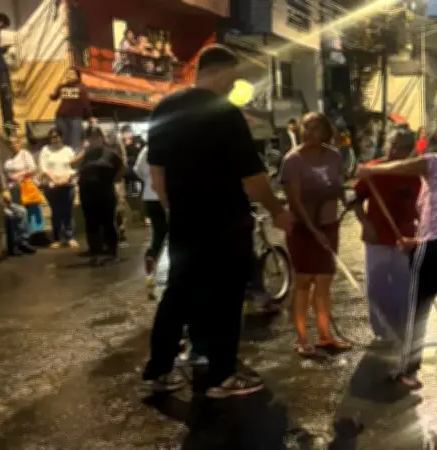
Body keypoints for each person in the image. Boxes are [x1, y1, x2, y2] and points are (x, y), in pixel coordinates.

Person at [142, 45, 292, 397]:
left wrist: (174, 209)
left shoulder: (164, 108)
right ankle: (221, 376)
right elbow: (252, 177)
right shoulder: (224, 112)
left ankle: (159, 369)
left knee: (178, 293)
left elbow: (157, 174)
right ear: (220, 70)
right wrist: (277, 211)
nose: (233, 84)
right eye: (233, 76)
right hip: (225, 220)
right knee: (225, 295)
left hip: (184, 219)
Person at [355, 146, 437, 390]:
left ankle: (408, 370)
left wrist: (371, 170)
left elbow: (405, 166)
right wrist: (415, 242)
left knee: (417, 310)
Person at [280, 112, 352, 357]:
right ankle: (302, 338)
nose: (309, 132)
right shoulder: (292, 160)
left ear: (325, 132)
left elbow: (338, 187)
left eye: (315, 128)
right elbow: (295, 201)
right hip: (302, 229)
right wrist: (313, 230)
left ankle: (325, 335)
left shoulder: (334, 156)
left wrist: (348, 200)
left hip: (329, 226)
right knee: (303, 282)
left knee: (324, 282)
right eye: (305, 127)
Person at [353, 129, 421, 344]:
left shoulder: (415, 173)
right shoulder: (372, 170)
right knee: (377, 285)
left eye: (401, 147)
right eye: (392, 145)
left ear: (410, 150)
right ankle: (382, 330)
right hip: (377, 235)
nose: (394, 151)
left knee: (404, 284)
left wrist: (422, 230)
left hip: (405, 238)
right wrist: (366, 224)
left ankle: (405, 327)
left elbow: (422, 206)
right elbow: (354, 199)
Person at [76, 129, 124, 266]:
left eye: (96, 138)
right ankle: (95, 252)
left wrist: (113, 180)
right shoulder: (86, 154)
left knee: (108, 223)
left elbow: (121, 168)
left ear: (101, 138)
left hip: (104, 192)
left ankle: (111, 253)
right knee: (91, 224)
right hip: (87, 193)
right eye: (90, 138)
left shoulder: (110, 153)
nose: (93, 141)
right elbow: (75, 166)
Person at [134, 143, 165, 297]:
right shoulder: (173, 143)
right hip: (167, 195)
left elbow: (137, 170)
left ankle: (150, 273)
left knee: (158, 234)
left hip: (150, 196)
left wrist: (148, 179)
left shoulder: (147, 148)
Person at [39, 127, 78, 249]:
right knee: (56, 212)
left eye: (56, 136)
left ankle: (70, 237)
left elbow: (74, 167)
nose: (54, 139)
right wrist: (54, 180)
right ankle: (57, 238)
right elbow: (43, 168)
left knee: (68, 212)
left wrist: (65, 179)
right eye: (52, 137)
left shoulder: (68, 150)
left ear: (61, 137)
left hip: (67, 184)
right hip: (52, 186)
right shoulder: (45, 150)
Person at [4, 135, 45, 237]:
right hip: (13, 189)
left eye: (15, 143)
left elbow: (33, 168)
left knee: (32, 212)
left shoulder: (24, 154)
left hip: (26, 187)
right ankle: (22, 237)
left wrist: (19, 175)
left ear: (19, 143)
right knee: (19, 213)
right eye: (10, 143)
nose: (13, 145)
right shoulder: (8, 158)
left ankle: (35, 236)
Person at [49, 68, 91, 151]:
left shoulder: (82, 87)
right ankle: (64, 156)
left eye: (71, 74)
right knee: (63, 139)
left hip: (75, 118)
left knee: (75, 141)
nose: (69, 75)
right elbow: (55, 97)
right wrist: (52, 95)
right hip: (61, 117)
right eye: (67, 73)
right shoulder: (62, 86)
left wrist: (89, 116)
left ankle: (75, 156)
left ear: (77, 76)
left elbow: (85, 103)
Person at [0, 13, 15, 135]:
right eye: (2, 25)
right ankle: (7, 128)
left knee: (7, 99)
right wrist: (4, 48)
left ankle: (8, 127)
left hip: (1, 70)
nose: (2, 28)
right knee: (6, 99)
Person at [2, 190, 35, 256]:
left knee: (23, 211)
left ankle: (22, 242)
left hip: (3, 201)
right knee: (10, 215)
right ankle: (14, 245)